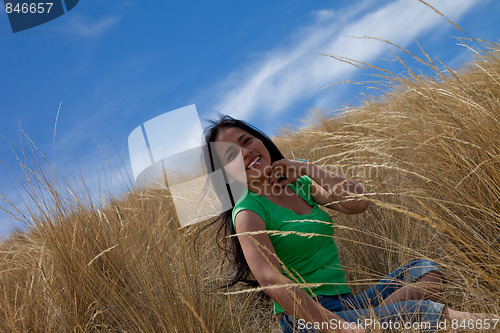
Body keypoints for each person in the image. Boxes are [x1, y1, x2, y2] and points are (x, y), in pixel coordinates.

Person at [202, 114, 491, 333]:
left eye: (246, 141)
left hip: (347, 300)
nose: (245, 152)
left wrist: (305, 167)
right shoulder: (248, 211)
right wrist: (337, 326)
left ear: (261, 141)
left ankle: (375, 322)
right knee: (417, 311)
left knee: (425, 271)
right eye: (230, 155)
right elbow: (272, 282)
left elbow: (358, 202)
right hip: (307, 317)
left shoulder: (300, 184)